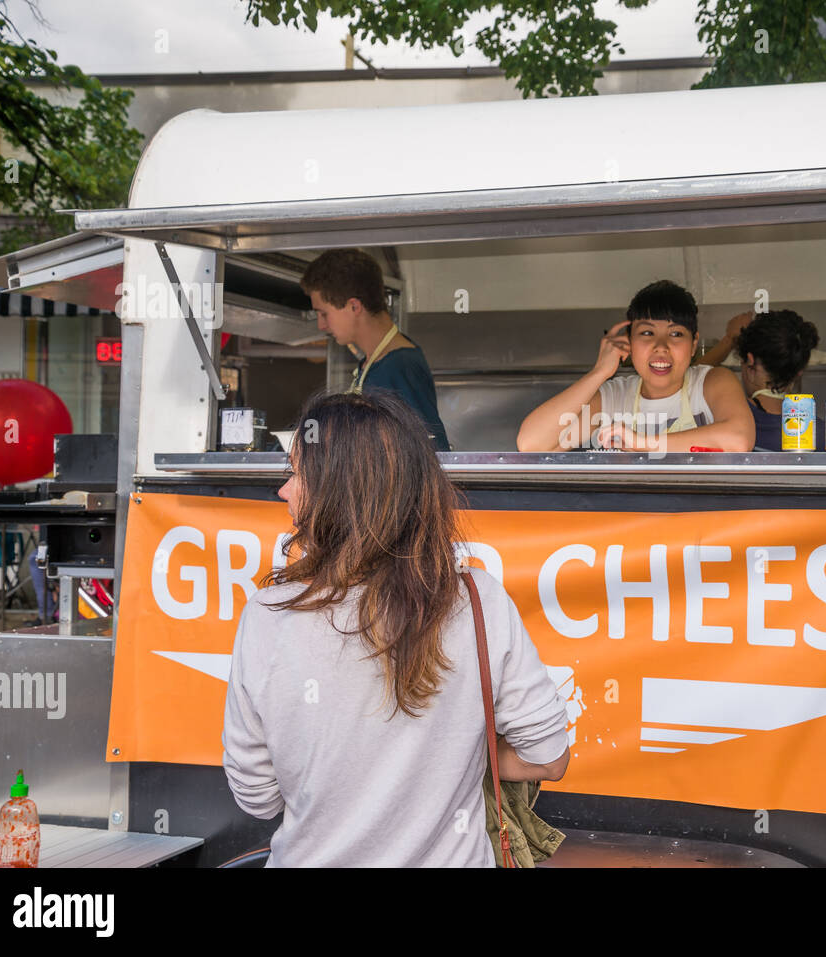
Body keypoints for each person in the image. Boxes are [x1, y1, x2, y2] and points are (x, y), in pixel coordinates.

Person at [222, 390, 570, 867]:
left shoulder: (269, 615)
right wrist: (453, 760)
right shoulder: (478, 598)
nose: (284, 491)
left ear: (338, 491)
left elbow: (257, 799)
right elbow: (548, 759)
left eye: (297, 474)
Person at [516, 280, 754, 453]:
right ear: (629, 343)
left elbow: (739, 439)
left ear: (693, 345)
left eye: (675, 334)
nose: (661, 347)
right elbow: (531, 444)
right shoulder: (613, 397)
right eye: (647, 333)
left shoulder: (711, 383)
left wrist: (641, 443)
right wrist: (599, 373)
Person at [300, 248, 450, 450]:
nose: (321, 326)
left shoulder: (399, 365)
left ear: (354, 306)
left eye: (324, 314)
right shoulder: (372, 363)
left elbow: (429, 450)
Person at [701, 309, 821, 451]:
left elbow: (689, 379)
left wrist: (729, 339)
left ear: (750, 361)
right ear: (799, 371)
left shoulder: (729, 421)